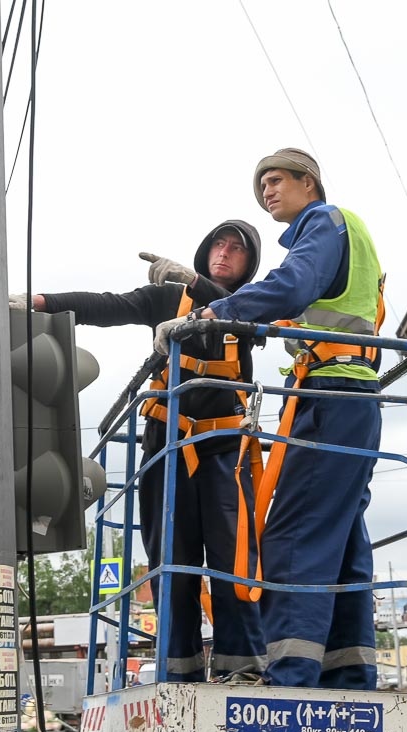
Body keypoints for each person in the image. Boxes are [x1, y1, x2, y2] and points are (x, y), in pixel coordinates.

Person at [157, 148, 384, 689]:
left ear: (310, 183)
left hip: (331, 396)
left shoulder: (323, 222)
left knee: (293, 533)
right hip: (355, 398)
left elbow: (291, 286)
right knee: (342, 540)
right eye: (262, 186)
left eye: (277, 181)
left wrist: (209, 313)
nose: (268, 193)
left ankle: (290, 672)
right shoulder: (347, 236)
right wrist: (206, 290)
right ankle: (348, 673)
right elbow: (288, 306)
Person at [12, 220, 266, 683]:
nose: (225, 254)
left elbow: (241, 323)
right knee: (171, 557)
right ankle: (178, 668)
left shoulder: (252, 304)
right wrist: (38, 303)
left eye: (237, 250)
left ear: (250, 264)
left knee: (233, 557)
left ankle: (242, 664)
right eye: (218, 245)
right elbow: (108, 306)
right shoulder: (168, 299)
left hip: (222, 445)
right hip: (166, 442)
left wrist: (194, 283)